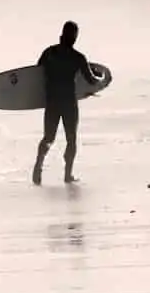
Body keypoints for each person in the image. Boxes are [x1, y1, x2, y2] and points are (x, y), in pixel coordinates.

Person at [32, 21, 107, 185]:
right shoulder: (78, 58)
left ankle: (38, 167)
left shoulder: (49, 53)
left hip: (52, 101)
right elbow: (92, 80)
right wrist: (101, 75)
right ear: (74, 37)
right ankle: (68, 175)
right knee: (71, 139)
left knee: (48, 137)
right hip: (68, 102)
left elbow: (36, 74)